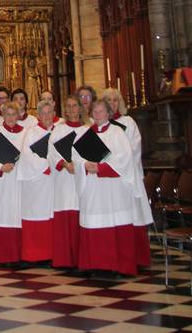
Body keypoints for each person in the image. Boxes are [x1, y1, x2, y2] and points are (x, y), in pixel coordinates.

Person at [74, 100, 142, 276]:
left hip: (114, 189)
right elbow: (75, 155)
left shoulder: (117, 132)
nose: (97, 115)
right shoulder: (84, 133)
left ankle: (119, 266)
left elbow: (125, 158)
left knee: (115, 223)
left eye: (101, 111)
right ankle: (96, 265)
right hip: (93, 187)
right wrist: (84, 164)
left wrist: (102, 168)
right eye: (94, 112)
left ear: (108, 113)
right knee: (94, 223)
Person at [101, 88, 152, 268]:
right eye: (108, 100)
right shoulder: (98, 124)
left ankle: (134, 257)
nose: (112, 103)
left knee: (130, 216)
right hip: (107, 178)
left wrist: (116, 163)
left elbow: (133, 149)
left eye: (115, 100)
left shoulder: (128, 122)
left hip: (126, 177)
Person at [48, 95, 88, 268]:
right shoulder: (58, 130)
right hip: (65, 178)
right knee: (66, 216)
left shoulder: (88, 130)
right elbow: (51, 153)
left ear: (80, 108)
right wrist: (65, 164)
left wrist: (80, 165)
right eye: (69, 106)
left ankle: (82, 258)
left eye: (75, 106)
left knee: (82, 215)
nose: (72, 110)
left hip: (83, 178)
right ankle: (65, 259)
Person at [0, 102, 26, 263]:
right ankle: (2, 254)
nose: (10, 118)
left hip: (19, 180)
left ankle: (19, 254)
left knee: (18, 213)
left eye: (13, 114)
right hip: (2, 180)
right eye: (7, 114)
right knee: (2, 213)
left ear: (18, 115)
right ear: (2, 116)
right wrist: (0, 167)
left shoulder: (25, 133)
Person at [17, 100, 56, 262]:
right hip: (36, 183)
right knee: (36, 216)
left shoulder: (59, 131)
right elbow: (27, 155)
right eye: (43, 113)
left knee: (51, 218)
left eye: (49, 113)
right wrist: (46, 165)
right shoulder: (31, 132)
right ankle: (34, 255)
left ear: (54, 114)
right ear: (38, 115)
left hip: (53, 183)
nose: (47, 116)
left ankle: (51, 254)